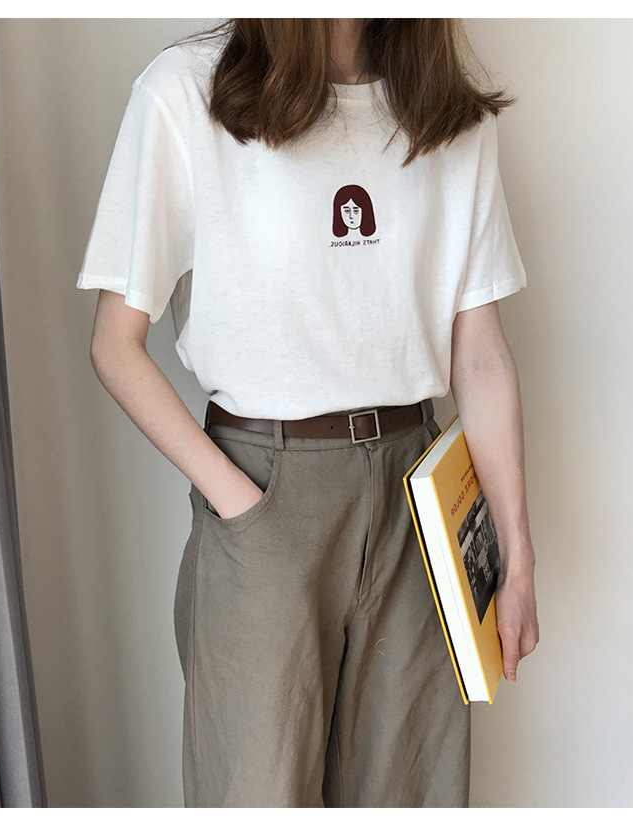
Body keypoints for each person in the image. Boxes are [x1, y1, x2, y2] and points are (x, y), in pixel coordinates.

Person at [76, 18, 539, 808]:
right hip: (264, 492)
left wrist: (516, 556)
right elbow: (115, 344)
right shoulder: (188, 92)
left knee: (412, 792)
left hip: (417, 496)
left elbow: (480, 356)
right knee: (255, 794)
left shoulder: (446, 112)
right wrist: (240, 503)